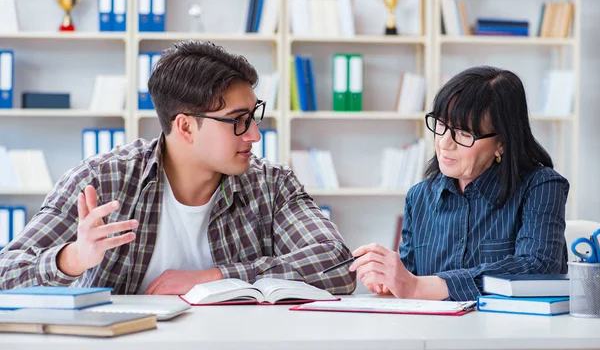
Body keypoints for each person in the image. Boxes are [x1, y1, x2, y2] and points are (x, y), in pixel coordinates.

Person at [0, 41, 356, 295]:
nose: (255, 136)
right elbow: (6, 273)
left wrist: (215, 277)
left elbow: (337, 264)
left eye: (254, 116)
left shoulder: (271, 184)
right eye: (238, 121)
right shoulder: (102, 179)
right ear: (185, 126)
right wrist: (72, 259)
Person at [349, 66, 569, 301]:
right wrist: (388, 281)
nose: (444, 143)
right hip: (434, 334)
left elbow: (539, 267)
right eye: (441, 125)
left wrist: (421, 287)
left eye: (464, 134)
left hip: (508, 333)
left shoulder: (541, 186)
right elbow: (410, 279)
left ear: (502, 142)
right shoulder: (419, 197)